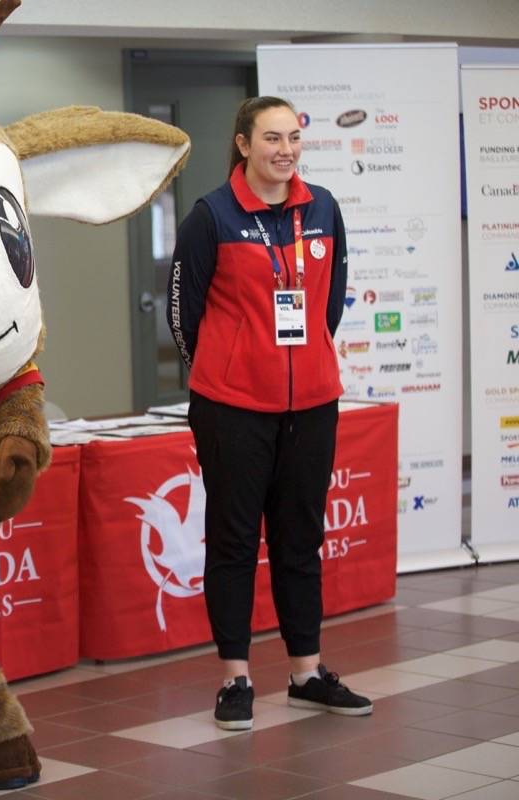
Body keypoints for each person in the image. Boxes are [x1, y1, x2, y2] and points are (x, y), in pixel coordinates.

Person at [166, 97, 371, 731]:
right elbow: (184, 315)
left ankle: (307, 672)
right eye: (271, 138)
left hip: (311, 404)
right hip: (232, 409)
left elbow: (329, 303)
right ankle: (235, 679)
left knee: (299, 540)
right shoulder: (211, 216)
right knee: (233, 541)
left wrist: (301, 356)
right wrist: (231, 368)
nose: (285, 149)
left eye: (293, 138)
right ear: (243, 144)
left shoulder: (325, 209)